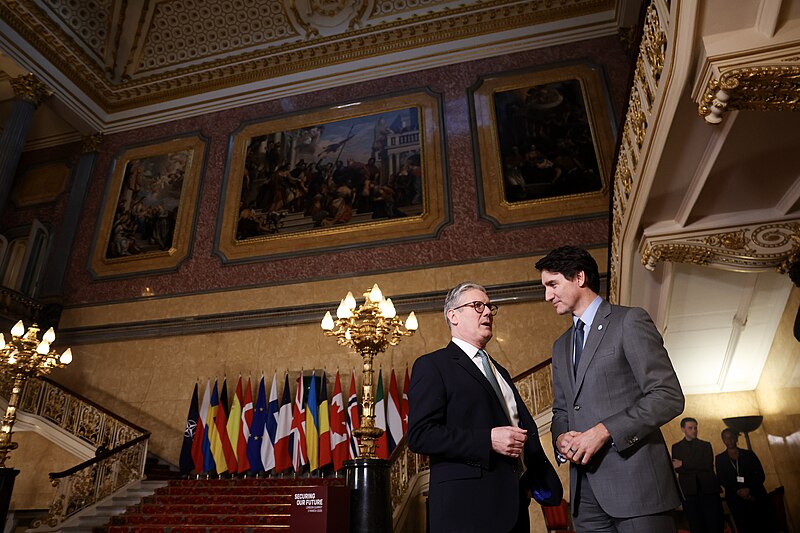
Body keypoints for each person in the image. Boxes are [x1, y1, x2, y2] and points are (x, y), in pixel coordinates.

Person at [535, 246, 684, 533]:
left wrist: (604, 430)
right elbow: (562, 409)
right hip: (585, 498)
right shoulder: (561, 345)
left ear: (579, 277)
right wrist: (560, 438)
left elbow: (668, 396)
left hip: (637, 488)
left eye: (553, 284)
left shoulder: (629, 321)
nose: (547, 296)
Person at [407, 281, 561, 533]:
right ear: (453, 315)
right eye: (477, 306)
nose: (488, 312)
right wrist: (487, 440)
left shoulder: (499, 370)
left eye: (490, 307)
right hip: (466, 510)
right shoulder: (433, 365)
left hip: (513, 507)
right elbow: (420, 435)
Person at [715, 428, 776, 533]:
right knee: (744, 527)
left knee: (763, 525)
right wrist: (739, 491)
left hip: (755, 496)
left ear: (736, 438)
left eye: (731, 437)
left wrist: (749, 489)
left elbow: (760, 475)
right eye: (725, 438)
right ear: (723, 440)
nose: (729, 440)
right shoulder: (720, 459)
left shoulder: (749, 455)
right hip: (736, 499)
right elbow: (722, 479)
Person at [671, 417, 723, 533]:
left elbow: (706, 465)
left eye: (695, 428)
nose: (694, 430)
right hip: (689, 492)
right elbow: (677, 469)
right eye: (690, 428)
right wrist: (695, 466)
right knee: (695, 524)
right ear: (683, 429)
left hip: (708, 490)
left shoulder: (705, 445)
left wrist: (684, 464)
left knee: (714, 523)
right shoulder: (676, 447)